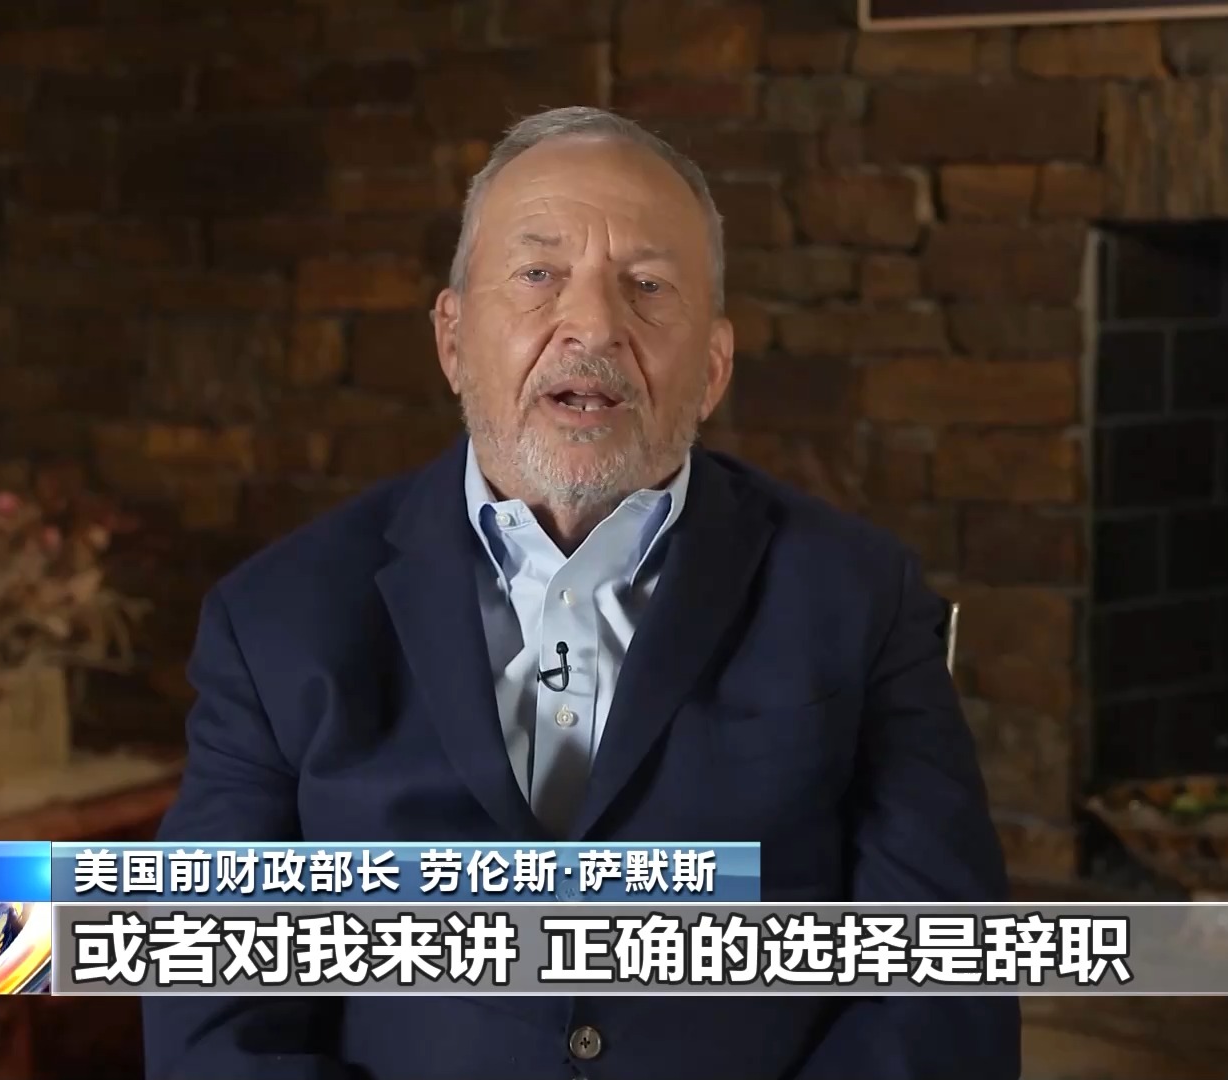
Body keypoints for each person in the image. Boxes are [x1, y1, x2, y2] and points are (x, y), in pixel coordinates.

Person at [143, 106, 1019, 1080]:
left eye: (647, 286)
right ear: (452, 340)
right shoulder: (276, 619)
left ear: (714, 366)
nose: (594, 325)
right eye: (538, 275)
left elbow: (947, 984)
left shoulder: (861, 594)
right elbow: (211, 1009)